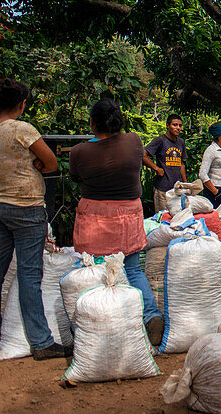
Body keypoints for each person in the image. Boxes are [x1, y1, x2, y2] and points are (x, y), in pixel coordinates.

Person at [0, 78, 64, 360]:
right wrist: (36, 164)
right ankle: (40, 342)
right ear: (22, 104)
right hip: (26, 206)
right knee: (29, 274)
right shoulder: (22, 129)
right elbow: (51, 163)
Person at [68, 99, 165, 346]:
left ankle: (96, 325)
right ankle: (150, 315)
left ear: (92, 123)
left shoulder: (79, 152)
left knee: (91, 270)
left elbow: (76, 176)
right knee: (132, 269)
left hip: (94, 216)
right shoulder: (133, 141)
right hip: (128, 212)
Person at [143, 114, 188, 212]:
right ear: (167, 125)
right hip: (163, 188)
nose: (178, 128)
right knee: (163, 218)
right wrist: (156, 168)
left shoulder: (181, 142)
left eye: (180, 126)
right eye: (175, 125)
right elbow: (143, 155)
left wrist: (185, 183)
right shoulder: (160, 140)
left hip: (176, 189)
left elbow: (181, 163)